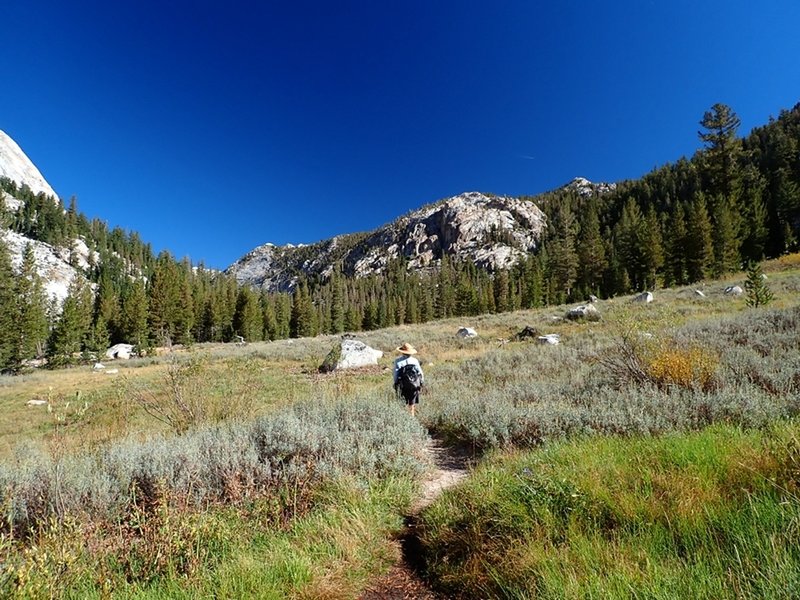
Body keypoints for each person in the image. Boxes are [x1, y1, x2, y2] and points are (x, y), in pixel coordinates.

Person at [393, 342, 424, 417]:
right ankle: (411, 418)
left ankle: (403, 419)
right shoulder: (415, 361)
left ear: (402, 352)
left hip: (402, 385)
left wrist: (395, 383)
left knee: (402, 403)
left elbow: (396, 374)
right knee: (412, 404)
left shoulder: (398, 361)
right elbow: (420, 373)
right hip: (414, 385)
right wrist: (421, 383)